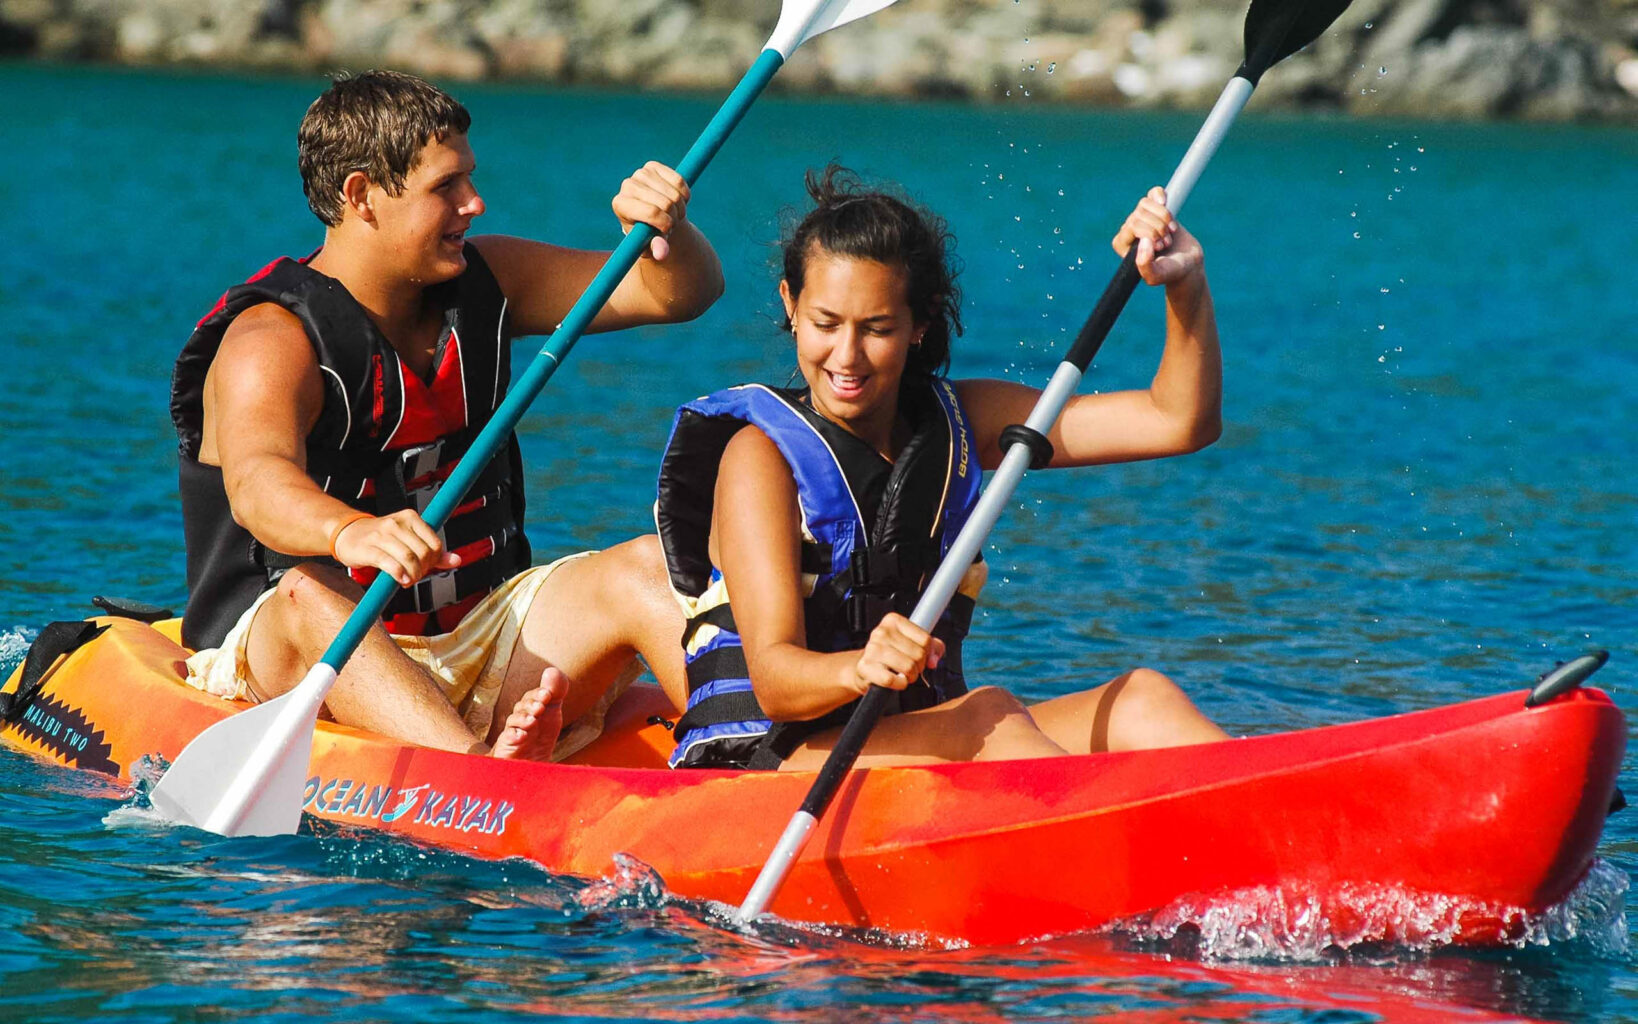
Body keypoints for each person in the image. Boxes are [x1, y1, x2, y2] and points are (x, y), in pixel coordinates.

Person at [172, 70, 723, 761]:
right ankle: (477, 773)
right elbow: (258, 484)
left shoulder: (490, 281)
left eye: (469, 178)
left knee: (646, 566)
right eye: (445, 187)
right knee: (310, 592)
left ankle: (759, 758)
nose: (474, 202)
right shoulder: (270, 341)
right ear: (361, 196)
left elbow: (677, 295)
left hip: (473, 639)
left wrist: (669, 234)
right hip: (302, 658)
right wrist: (350, 533)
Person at [654, 166, 1231, 771]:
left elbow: (1178, 421)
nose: (846, 356)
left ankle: (1294, 836)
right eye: (826, 324)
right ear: (790, 305)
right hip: (771, 763)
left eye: (877, 328)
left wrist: (1182, 285)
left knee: (1142, 701)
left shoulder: (963, 420)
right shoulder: (760, 457)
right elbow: (774, 680)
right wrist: (860, 666)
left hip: (904, 737)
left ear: (920, 323)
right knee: (987, 716)